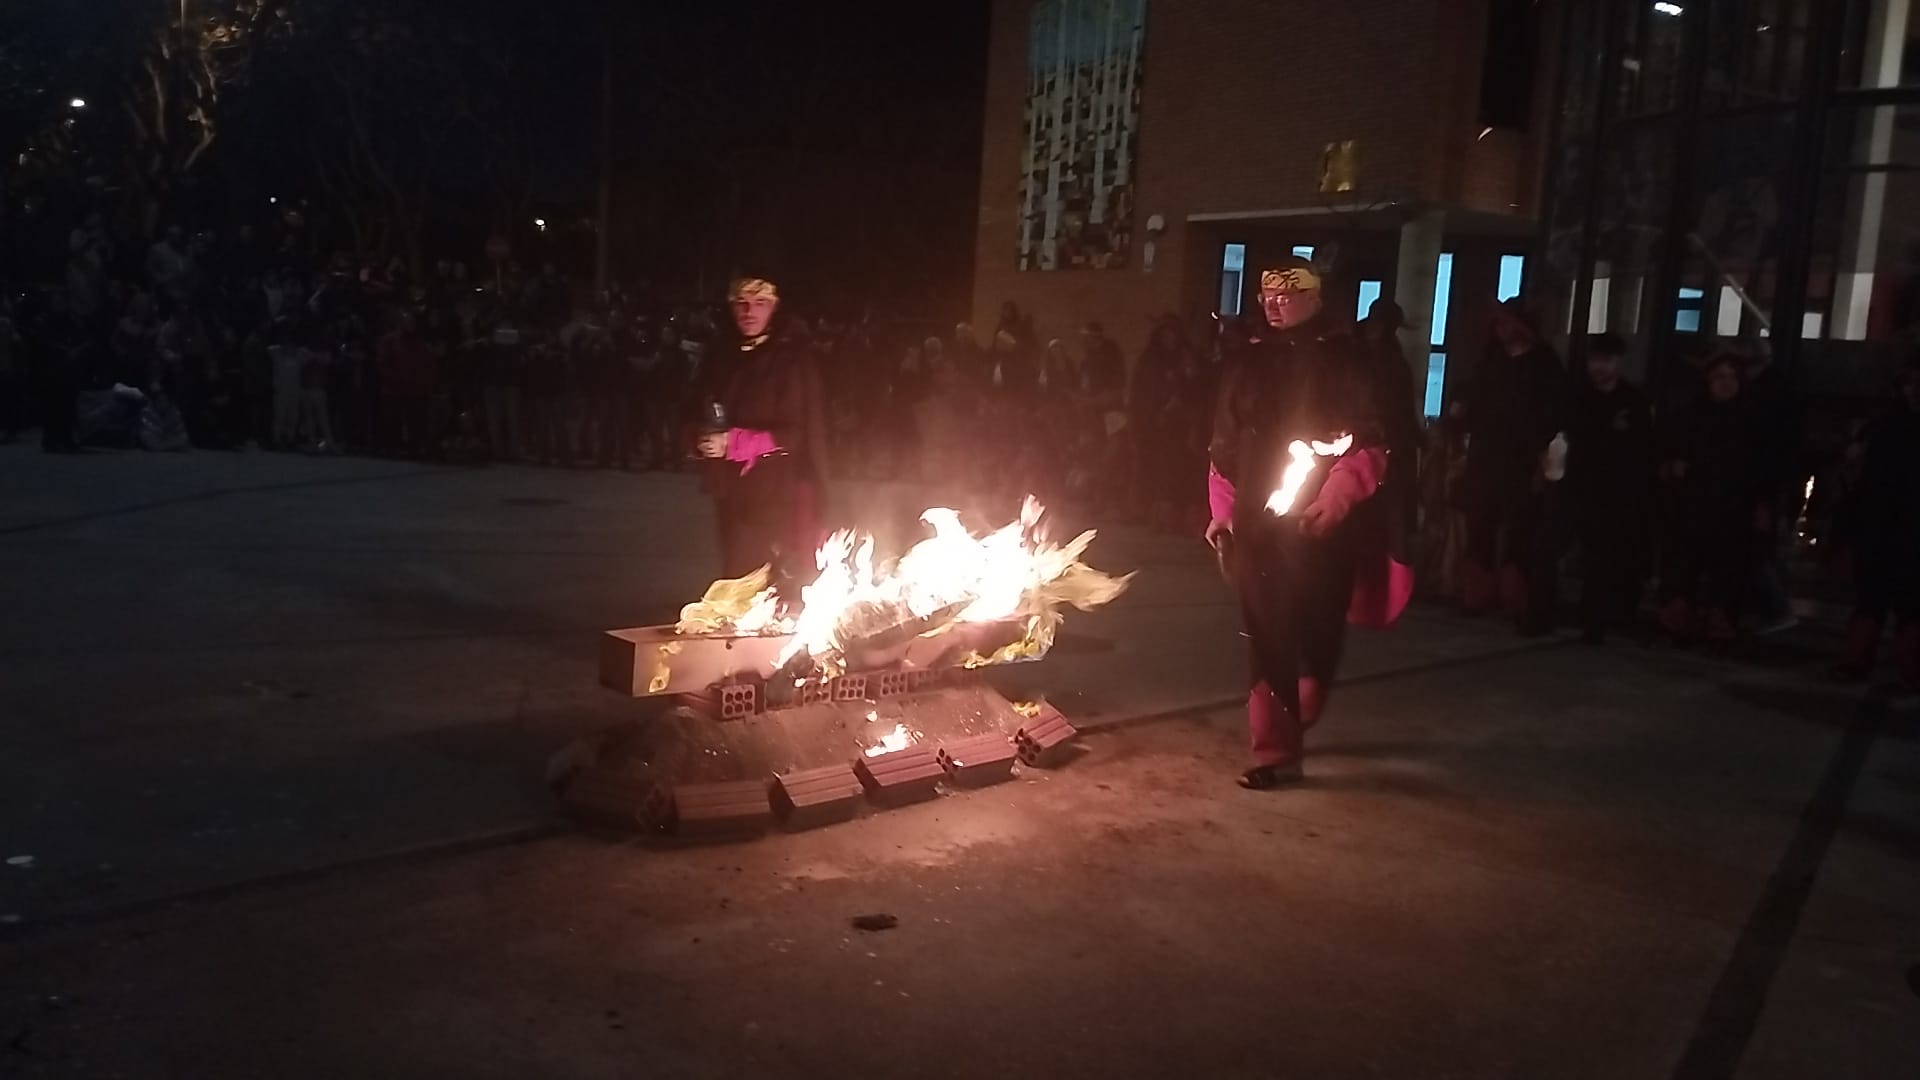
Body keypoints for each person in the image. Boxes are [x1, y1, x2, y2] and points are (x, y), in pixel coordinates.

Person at [1206, 258, 1411, 789]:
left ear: (1315, 299)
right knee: (1267, 631)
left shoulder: (1347, 361)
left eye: (1287, 293)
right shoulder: (1247, 362)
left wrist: (1338, 500)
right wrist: (1222, 510)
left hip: (1323, 531)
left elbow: (1369, 441)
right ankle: (1276, 751)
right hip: (1257, 526)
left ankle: (1307, 696)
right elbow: (1224, 444)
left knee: (1318, 628)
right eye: (1267, 294)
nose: (1274, 303)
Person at [692, 276, 831, 597]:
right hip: (730, 490)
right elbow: (692, 407)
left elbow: (796, 433)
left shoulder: (790, 361)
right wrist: (698, 438)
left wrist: (734, 443)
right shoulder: (721, 355)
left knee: (756, 580)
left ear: (775, 307)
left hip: (774, 492)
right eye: (741, 303)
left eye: (760, 303)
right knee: (735, 575)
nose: (749, 312)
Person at [1457, 299, 1569, 633]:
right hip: (1486, 457)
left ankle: (1515, 597)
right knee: (1481, 525)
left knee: (1523, 528)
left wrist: (1544, 457)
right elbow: (1474, 399)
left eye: (1508, 323)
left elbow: (1553, 411)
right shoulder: (1491, 360)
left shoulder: (1543, 363)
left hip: (1523, 459)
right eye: (1499, 323)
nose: (1501, 329)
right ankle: (1477, 593)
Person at [1656, 354, 1760, 644]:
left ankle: (1720, 629)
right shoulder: (1690, 417)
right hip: (1690, 507)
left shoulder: (1749, 421)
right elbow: (1667, 453)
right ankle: (1676, 624)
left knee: (1727, 574)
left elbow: (1756, 467)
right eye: (1718, 377)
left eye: (1731, 378)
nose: (1725, 384)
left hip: (1732, 510)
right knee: (1682, 568)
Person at [1565, 332, 1656, 643]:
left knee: (1610, 554)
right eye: (1595, 360)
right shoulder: (1578, 397)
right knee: (1586, 550)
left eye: (1606, 361)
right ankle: (1586, 614)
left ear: (1619, 362)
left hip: (1619, 491)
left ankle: (1603, 616)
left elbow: (1644, 449)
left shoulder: (1633, 402)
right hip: (1580, 486)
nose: (1599, 367)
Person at [1833, 359, 1920, 684]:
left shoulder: (1886, 426)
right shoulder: (1885, 426)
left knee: (1909, 601)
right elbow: (1863, 479)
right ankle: (1858, 658)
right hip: (1882, 522)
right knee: (1873, 595)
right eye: (1910, 384)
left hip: (1905, 523)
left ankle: (1907, 664)